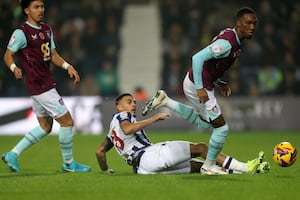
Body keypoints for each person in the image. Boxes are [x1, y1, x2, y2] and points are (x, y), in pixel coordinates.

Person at [142, 7, 258, 175]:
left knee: (205, 123)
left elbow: (213, 64)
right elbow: (197, 58)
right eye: (248, 23)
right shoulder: (226, 44)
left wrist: (219, 82)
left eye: (254, 23)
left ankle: (165, 101)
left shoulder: (234, 39)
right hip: (198, 84)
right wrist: (200, 88)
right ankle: (208, 166)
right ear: (239, 24)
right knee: (221, 128)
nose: (252, 26)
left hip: (202, 82)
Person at [2, 0, 91, 172]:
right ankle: (68, 164)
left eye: (42, 6)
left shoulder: (47, 29)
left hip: (44, 82)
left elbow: (53, 54)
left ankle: (13, 154)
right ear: (27, 10)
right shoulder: (21, 32)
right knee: (67, 121)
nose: (40, 10)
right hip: (40, 84)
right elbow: (8, 55)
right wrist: (14, 68)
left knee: (45, 127)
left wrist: (67, 66)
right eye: (36, 7)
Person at [95, 93, 270, 175]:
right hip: (149, 155)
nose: (133, 104)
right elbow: (127, 129)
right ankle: (246, 167)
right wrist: (154, 118)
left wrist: (104, 171)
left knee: (197, 167)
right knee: (201, 148)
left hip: (142, 169)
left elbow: (100, 152)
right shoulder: (121, 116)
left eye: (134, 102)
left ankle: (249, 171)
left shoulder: (112, 131)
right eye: (128, 102)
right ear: (118, 107)